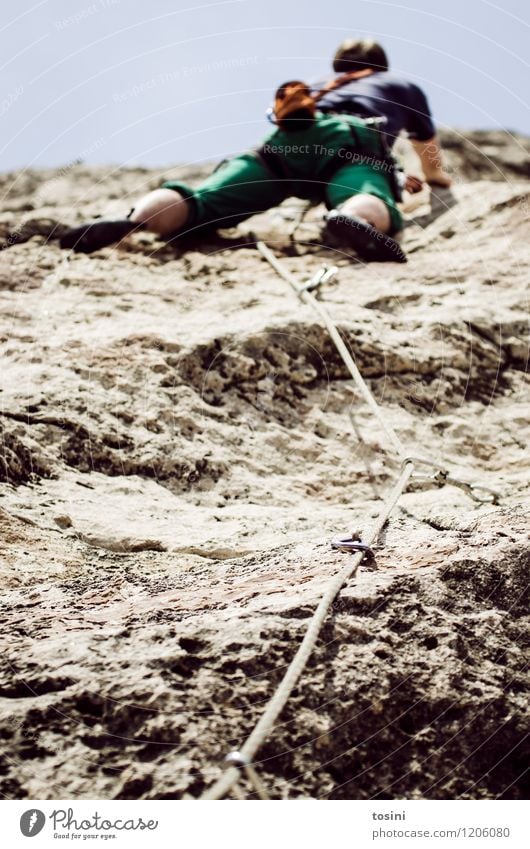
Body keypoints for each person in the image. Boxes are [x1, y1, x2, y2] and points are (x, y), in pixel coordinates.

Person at [60, 80, 409, 262]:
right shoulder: (397, 87)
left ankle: (137, 218)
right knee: (361, 191)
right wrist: (434, 177)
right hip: (347, 142)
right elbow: (428, 144)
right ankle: (353, 217)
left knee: (204, 202)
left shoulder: (325, 83)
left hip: (279, 148)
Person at [311, 38, 452, 191]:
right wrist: (434, 175)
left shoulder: (314, 83)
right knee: (363, 200)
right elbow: (425, 143)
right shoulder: (400, 85)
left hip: (293, 133)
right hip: (351, 142)